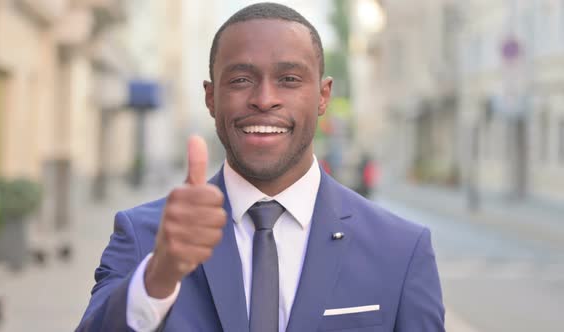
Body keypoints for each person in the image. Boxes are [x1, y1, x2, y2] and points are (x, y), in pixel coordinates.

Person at [76, 3, 445, 331]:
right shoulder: (146, 237)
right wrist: (159, 276)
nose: (265, 99)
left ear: (323, 95)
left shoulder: (401, 249)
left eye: (289, 79)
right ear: (211, 97)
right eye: (240, 80)